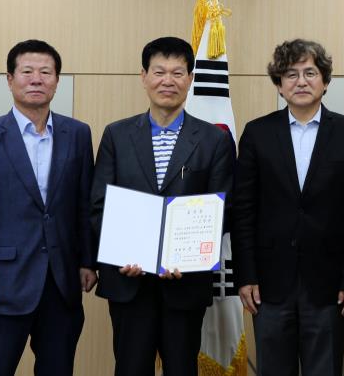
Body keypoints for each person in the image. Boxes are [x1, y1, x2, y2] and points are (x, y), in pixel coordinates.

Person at [90, 37, 235, 376]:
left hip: (185, 283)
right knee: (130, 368)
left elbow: (223, 208)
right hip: (128, 282)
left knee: (182, 368)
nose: (167, 81)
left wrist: (186, 257)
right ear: (143, 76)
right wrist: (122, 253)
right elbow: (100, 204)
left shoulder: (214, 139)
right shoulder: (116, 135)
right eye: (159, 72)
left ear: (190, 79)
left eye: (177, 73)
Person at [232, 39, 344, 376]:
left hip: (330, 284)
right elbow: (243, 211)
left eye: (310, 72)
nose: (301, 81)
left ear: (325, 81)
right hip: (268, 284)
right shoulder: (257, 133)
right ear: (279, 85)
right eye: (291, 74)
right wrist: (245, 275)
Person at [0, 39, 96, 375]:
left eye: (46, 72)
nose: (36, 79)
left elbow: (83, 204)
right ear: (10, 79)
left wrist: (87, 261)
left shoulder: (78, 134)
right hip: (2, 284)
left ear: (57, 80)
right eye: (27, 71)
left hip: (61, 283)